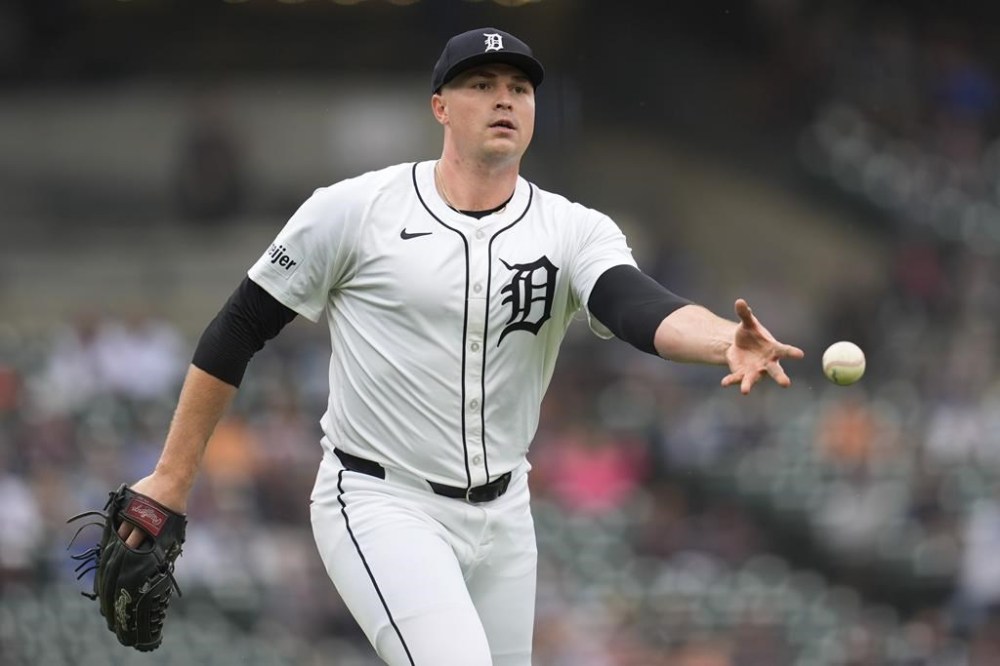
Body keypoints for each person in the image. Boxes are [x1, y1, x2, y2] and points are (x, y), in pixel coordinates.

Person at [118, 27, 804, 665]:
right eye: (482, 84)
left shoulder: (572, 229)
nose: (504, 98)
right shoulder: (355, 210)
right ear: (440, 106)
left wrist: (723, 340)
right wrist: (174, 477)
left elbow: (634, 303)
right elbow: (236, 329)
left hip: (505, 516)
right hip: (382, 502)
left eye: (519, 87)